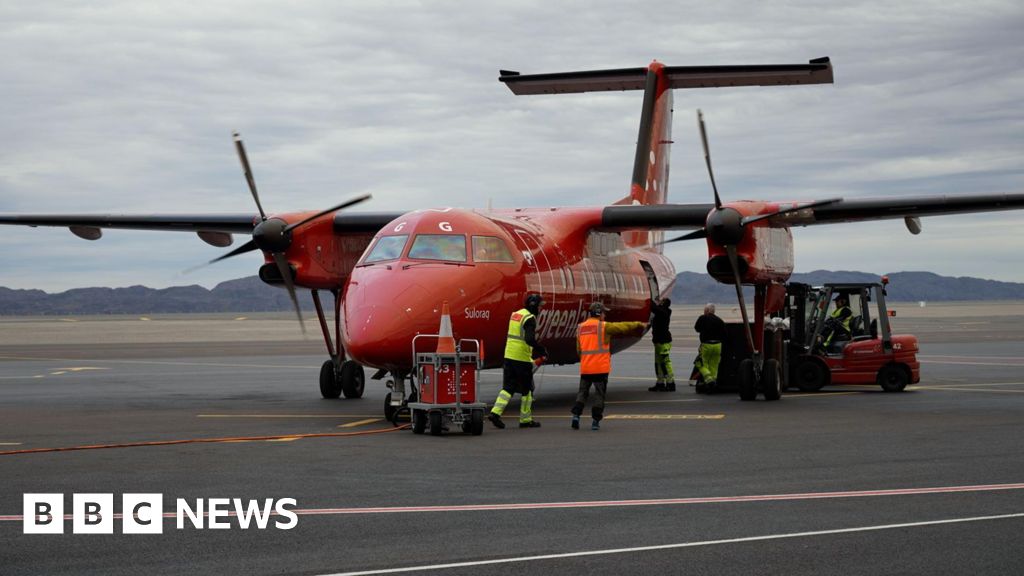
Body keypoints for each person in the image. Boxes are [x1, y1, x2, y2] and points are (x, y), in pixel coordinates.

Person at [573, 302, 646, 430]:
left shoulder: (580, 328)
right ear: (599, 313)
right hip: (600, 368)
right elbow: (622, 327)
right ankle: (595, 421)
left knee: (582, 393)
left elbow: (579, 350)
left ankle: (576, 416)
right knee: (599, 394)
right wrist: (638, 324)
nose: (605, 315)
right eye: (603, 313)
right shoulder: (604, 327)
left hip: (586, 368)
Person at [489, 293, 547, 429]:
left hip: (509, 355)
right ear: (533, 306)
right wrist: (541, 349)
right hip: (521, 358)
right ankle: (525, 419)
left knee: (508, 387)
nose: (540, 309)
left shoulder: (516, 315)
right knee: (527, 390)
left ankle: (495, 413)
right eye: (539, 306)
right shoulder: (529, 318)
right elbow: (529, 339)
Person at [694, 303, 726, 389]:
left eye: (704, 310)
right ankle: (713, 382)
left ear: (707, 310)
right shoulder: (719, 320)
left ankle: (708, 379)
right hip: (718, 345)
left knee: (700, 363)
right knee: (714, 365)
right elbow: (724, 334)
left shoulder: (703, 318)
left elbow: (697, 328)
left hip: (706, 345)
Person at [648, 298, 676, 392]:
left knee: (665, 363)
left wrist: (649, 299)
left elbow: (654, 308)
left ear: (663, 303)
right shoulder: (662, 311)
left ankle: (670, 383)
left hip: (663, 342)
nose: (659, 301)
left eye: (661, 301)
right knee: (658, 363)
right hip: (658, 341)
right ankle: (660, 383)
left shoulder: (663, 312)